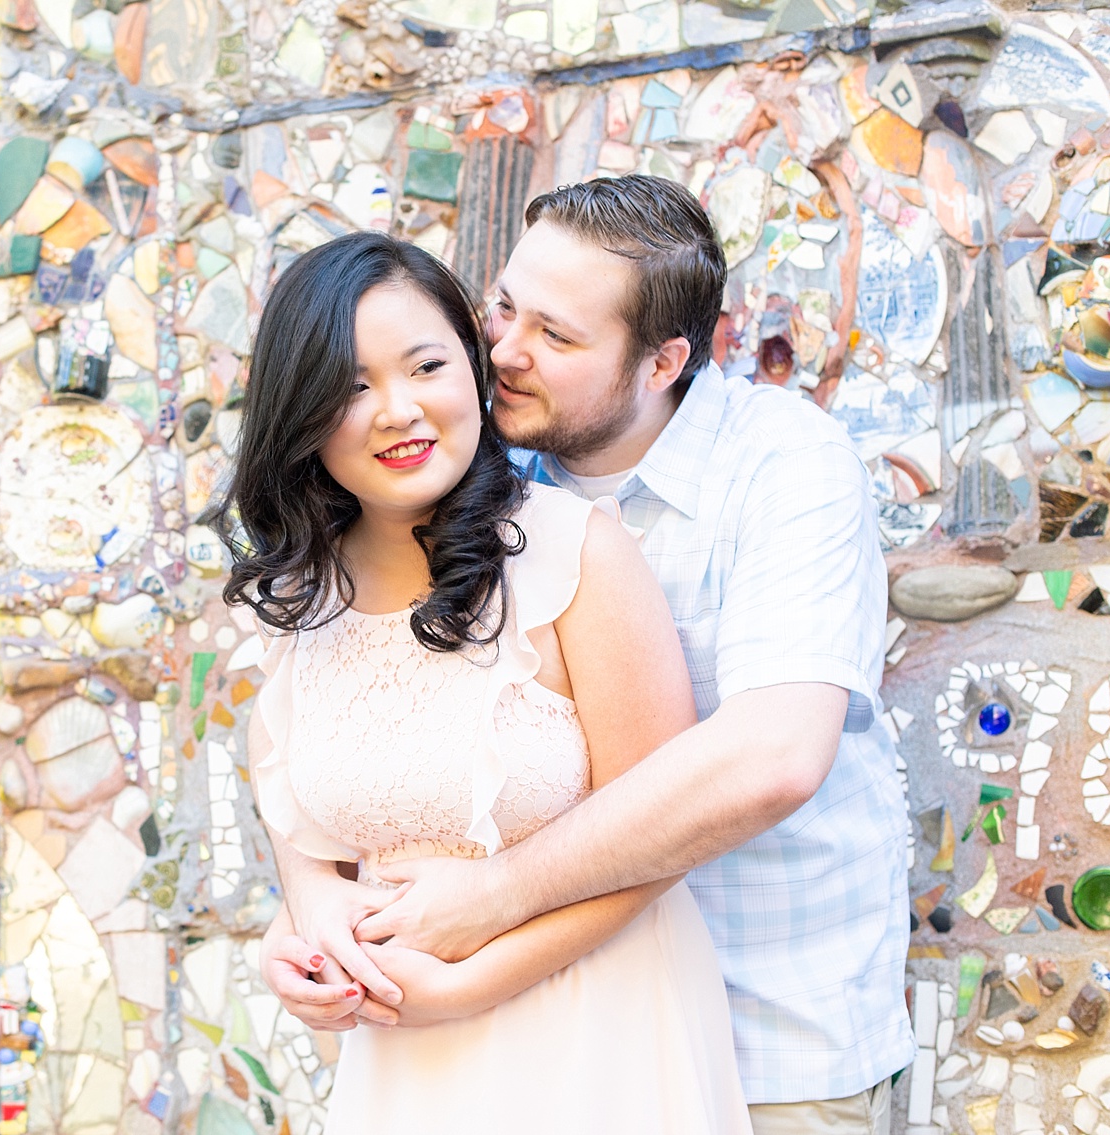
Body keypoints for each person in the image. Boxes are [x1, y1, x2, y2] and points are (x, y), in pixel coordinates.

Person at [260, 176, 913, 1135]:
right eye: (506, 308)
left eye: (557, 337)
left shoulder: (784, 465)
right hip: (524, 1022)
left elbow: (773, 757)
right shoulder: (483, 469)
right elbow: (364, 733)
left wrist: (491, 900)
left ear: (664, 363)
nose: (507, 353)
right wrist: (311, 906)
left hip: (778, 1030)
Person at [213, 229, 751, 1130]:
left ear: (472, 365)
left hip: (595, 1033)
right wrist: (299, 929)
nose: (399, 409)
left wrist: (470, 984)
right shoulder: (297, 601)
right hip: (405, 1055)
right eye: (350, 386)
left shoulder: (577, 551)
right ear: (299, 413)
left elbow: (664, 838)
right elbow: (320, 844)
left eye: (426, 365)